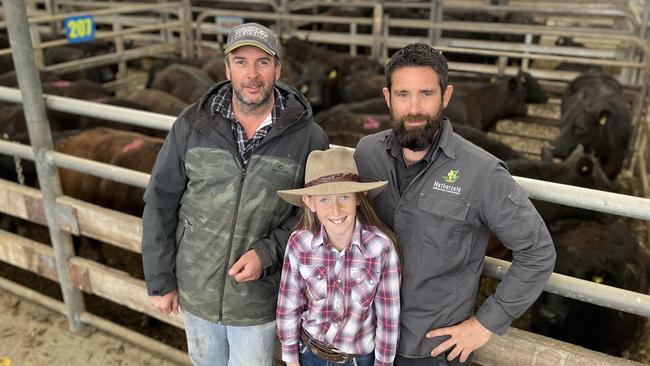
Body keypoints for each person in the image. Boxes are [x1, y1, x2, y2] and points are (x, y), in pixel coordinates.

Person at [353, 43, 556, 366]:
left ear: (446, 97)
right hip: (365, 337)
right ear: (388, 98)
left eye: (427, 94)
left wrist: (486, 322)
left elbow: (538, 251)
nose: (415, 107)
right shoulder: (366, 154)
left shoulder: (482, 172)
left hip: (431, 349)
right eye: (403, 94)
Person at [141, 22, 329, 366]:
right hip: (195, 289)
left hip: (258, 298)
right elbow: (160, 200)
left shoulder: (309, 138)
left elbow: (314, 214)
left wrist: (268, 252)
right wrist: (159, 279)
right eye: (241, 62)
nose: (252, 74)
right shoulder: (192, 124)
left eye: (262, 62)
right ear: (227, 69)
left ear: (278, 69)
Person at [276, 147, 401, 366]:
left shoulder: (380, 248)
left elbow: (388, 318)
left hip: (357, 359)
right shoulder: (299, 244)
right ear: (310, 202)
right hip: (309, 354)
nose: (335, 210)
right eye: (324, 200)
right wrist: (291, 360)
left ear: (359, 198)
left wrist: (383, 364)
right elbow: (288, 305)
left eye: (344, 196)